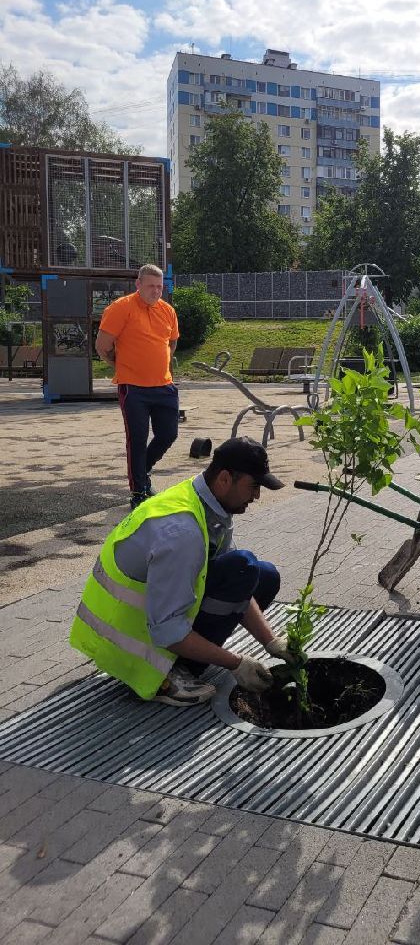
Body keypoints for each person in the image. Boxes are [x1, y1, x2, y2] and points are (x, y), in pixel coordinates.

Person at [70, 436, 291, 707]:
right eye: (253, 486)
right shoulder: (181, 532)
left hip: (153, 621)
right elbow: (167, 631)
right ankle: (167, 673)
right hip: (131, 647)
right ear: (224, 479)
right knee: (244, 567)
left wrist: (271, 642)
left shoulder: (208, 505)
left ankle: (193, 654)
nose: (256, 496)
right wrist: (236, 663)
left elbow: (237, 582)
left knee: (261, 574)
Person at [95, 264, 180, 510]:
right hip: (134, 389)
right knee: (137, 440)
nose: (156, 291)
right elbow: (102, 346)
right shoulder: (121, 308)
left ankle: (142, 472)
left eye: (159, 287)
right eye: (151, 286)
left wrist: (161, 366)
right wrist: (121, 366)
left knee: (168, 434)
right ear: (138, 284)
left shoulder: (168, 311)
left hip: (164, 385)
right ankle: (138, 491)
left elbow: (171, 343)